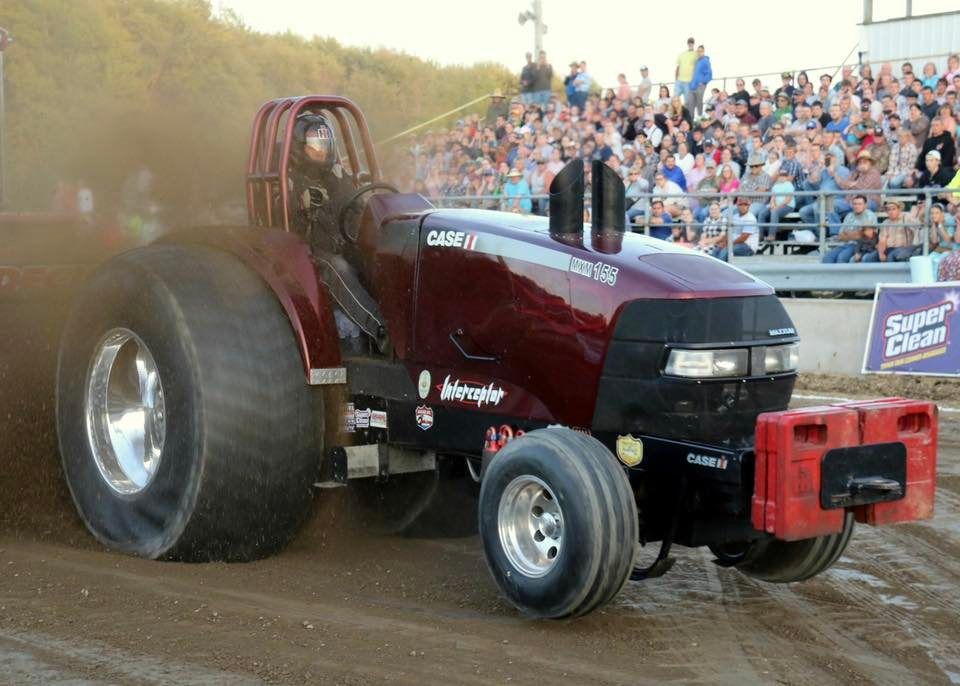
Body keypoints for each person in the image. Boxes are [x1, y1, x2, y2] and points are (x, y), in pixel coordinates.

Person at [688, 44, 712, 117]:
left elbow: (709, 74)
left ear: (703, 52)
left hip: (700, 86)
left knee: (699, 103)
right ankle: (690, 122)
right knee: (690, 104)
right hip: (692, 86)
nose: (699, 53)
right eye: (698, 51)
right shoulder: (695, 62)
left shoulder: (705, 61)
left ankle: (700, 119)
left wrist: (703, 82)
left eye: (701, 51)